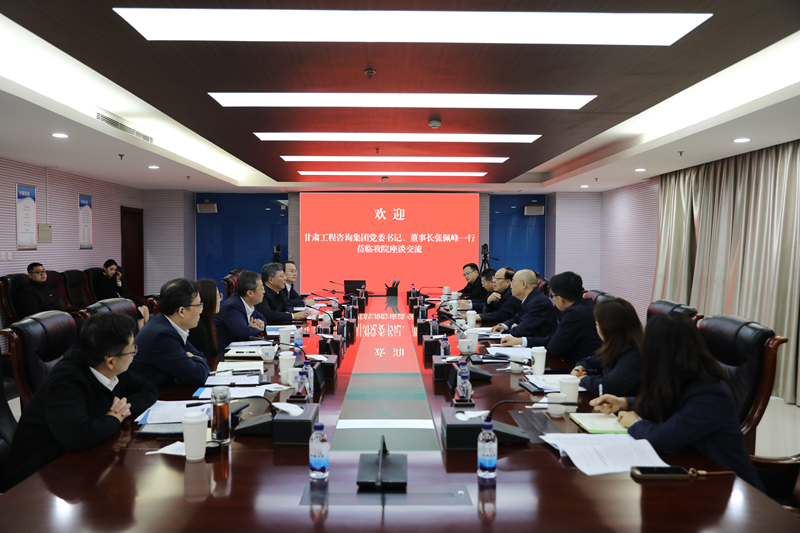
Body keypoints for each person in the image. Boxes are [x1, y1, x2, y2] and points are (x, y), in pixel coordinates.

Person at [590, 312, 764, 491]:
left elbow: (663, 440)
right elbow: (667, 403)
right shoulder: (684, 378)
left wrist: (636, 423)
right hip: (694, 476)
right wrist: (624, 403)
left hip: (731, 487)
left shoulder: (711, 393)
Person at [3, 312, 158, 491]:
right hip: (36, 477)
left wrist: (124, 408)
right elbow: (78, 436)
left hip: (77, 461)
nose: (134, 354)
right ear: (111, 362)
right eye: (132, 350)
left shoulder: (109, 367)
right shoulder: (67, 381)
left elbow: (149, 389)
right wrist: (114, 418)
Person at [500, 271, 601, 366]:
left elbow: (554, 348)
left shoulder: (573, 313)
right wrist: (521, 341)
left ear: (560, 299)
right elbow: (554, 339)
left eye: (552, 296)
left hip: (579, 368)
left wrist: (520, 339)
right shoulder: (587, 306)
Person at [130, 278, 210, 390]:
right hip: (151, 397)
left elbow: (201, 356)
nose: (201, 310)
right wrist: (192, 359)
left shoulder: (166, 325)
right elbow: (198, 375)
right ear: (182, 311)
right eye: (198, 305)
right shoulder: (162, 335)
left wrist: (193, 359)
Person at [570, 297, 642, 396]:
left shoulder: (634, 354)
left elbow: (608, 387)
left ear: (608, 327)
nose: (596, 328)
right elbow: (589, 362)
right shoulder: (617, 345)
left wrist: (583, 379)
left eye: (597, 324)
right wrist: (580, 368)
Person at [491, 269, 556, 338]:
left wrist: (515, 328)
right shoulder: (529, 298)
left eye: (513, 282)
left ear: (524, 284)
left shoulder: (538, 302)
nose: (511, 286)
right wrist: (504, 326)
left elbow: (520, 331)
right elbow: (517, 318)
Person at [214, 270, 267, 351]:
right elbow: (244, 333)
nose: (264, 291)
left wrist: (258, 325)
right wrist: (257, 328)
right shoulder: (232, 307)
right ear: (250, 293)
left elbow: (263, 319)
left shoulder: (248, 302)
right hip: (224, 353)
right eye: (262, 288)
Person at [187, 279, 222, 362]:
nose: (220, 300)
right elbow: (207, 362)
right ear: (208, 301)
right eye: (218, 297)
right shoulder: (198, 329)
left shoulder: (208, 323)